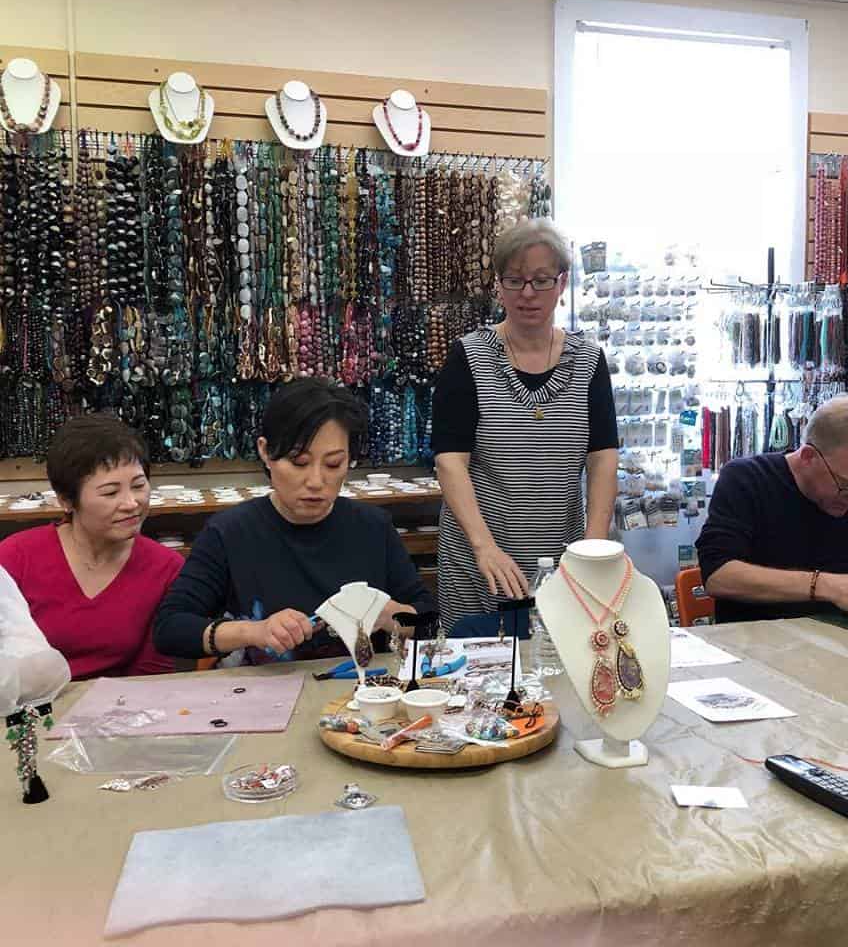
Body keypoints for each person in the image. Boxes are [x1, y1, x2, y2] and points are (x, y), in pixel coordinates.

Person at [153, 378, 435, 663]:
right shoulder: (230, 532)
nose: (315, 481)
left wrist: (390, 615)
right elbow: (171, 629)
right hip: (264, 697)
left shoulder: (373, 527)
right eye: (299, 462)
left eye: (333, 464)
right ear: (265, 452)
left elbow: (429, 622)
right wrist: (254, 631)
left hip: (360, 695)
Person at [432, 219, 619, 628]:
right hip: (480, 558)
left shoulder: (588, 361)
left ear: (562, 283)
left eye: (541, 280)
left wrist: (594, 543)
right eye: (514, 281)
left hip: (561, 557)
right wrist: (484, 547)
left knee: (558, 664)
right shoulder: (469, 357)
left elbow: (603, 457)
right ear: (498, 285)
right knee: (479, 671)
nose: (528, 294)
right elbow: (450, 461)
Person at [696, 394, 848, 624]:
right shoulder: (747, 480)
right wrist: (828, 586)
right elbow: (719, 576)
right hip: (760, 648)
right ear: (808, 457)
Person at [0, 415, 183, 680]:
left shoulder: (165, 568)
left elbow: (151, 675)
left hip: (119, 708)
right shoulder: (15, 558)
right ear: (66, 500)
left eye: (139, 486)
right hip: (28, 709)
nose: (131, 502)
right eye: (110, 493)